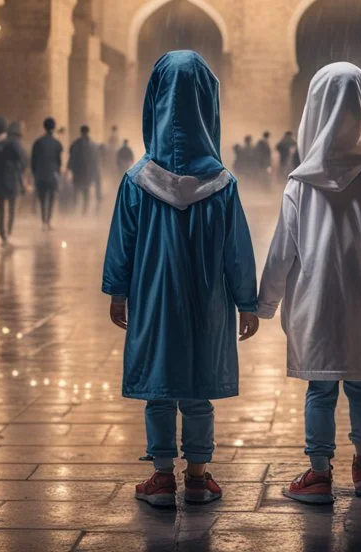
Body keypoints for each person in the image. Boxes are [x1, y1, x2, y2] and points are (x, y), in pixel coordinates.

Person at [103, 51, 259, 508]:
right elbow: (237, 250)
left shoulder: (137, 180)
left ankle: (161, 476)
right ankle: (197, 473)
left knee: (159, 384)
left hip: (153, 299)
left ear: (154, 103)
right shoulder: (222, 185)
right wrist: (246, 302)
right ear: (209, 106)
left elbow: (122, 241)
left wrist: (118, 290)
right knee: (196, 386)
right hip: (206, 301)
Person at [258, 63, 361, 505]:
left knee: (321, 388)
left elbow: (281, 252)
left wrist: (263, 304)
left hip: (315, 304)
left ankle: (319, 472)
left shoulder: (299, 185)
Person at [0, 116, 27, 244]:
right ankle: (8, 232)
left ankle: (2, 233)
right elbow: (23, 158)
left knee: (1, 208)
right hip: (11, 180)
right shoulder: (12, 143)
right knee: (11, 208)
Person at [31, 117, 64, 230]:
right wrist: (58, 173)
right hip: (52, 175)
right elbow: (59, 161)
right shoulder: (57, 143)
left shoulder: (37, 142)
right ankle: (48, 221)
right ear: (54, 128)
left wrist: (34, 174)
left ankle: (43, 221)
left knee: (42, 199)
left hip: (40, 175)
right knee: (51, 199)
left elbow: (33, 161)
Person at [68, 125, 101, 215]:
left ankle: (78, 210)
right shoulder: (93, 145)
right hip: (86, 173)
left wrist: (70, 168)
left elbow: (71, 157)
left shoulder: (75, 144)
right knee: (84, 193)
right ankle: (83, 211)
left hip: (79, 172)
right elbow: (96, 160)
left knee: (78, 192)